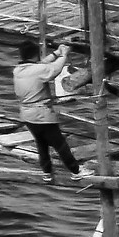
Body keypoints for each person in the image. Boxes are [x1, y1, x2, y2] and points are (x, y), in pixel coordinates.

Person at [14, 39, 84, 178]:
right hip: (42, 114)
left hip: (28, 116)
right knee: (60, 144)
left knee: (41, 144)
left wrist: (56, 53)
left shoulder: (18, 70)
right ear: (36, 54)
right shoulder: (38, 70)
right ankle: (76, 171)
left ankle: (47, 172)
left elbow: (41, 65)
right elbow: (54, 69)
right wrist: (64, 55)